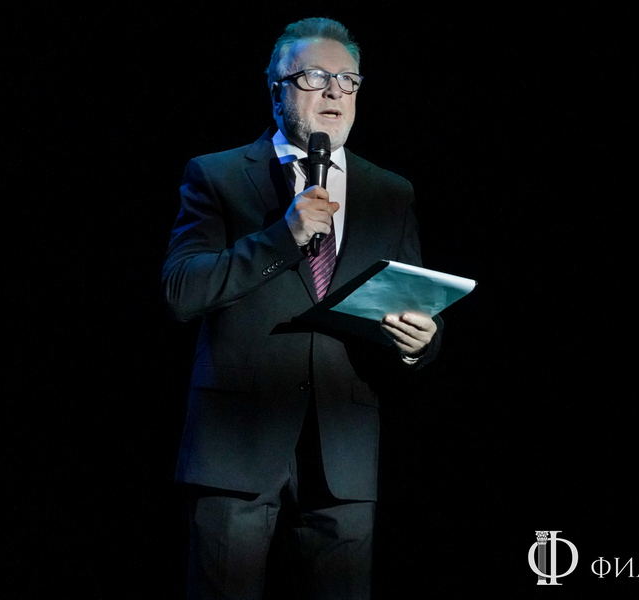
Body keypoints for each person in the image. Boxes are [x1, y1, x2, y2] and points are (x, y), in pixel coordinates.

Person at [162, 17, 442, 600]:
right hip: (236, 447)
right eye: (314, 76)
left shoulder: (390, 191)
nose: (335, 90)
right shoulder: (217, 176)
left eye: (348, 79)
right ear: (276, 90)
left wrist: (423, 342)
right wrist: (280, 238)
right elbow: (182, 291)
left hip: (343, 451)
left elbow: (411, 300)